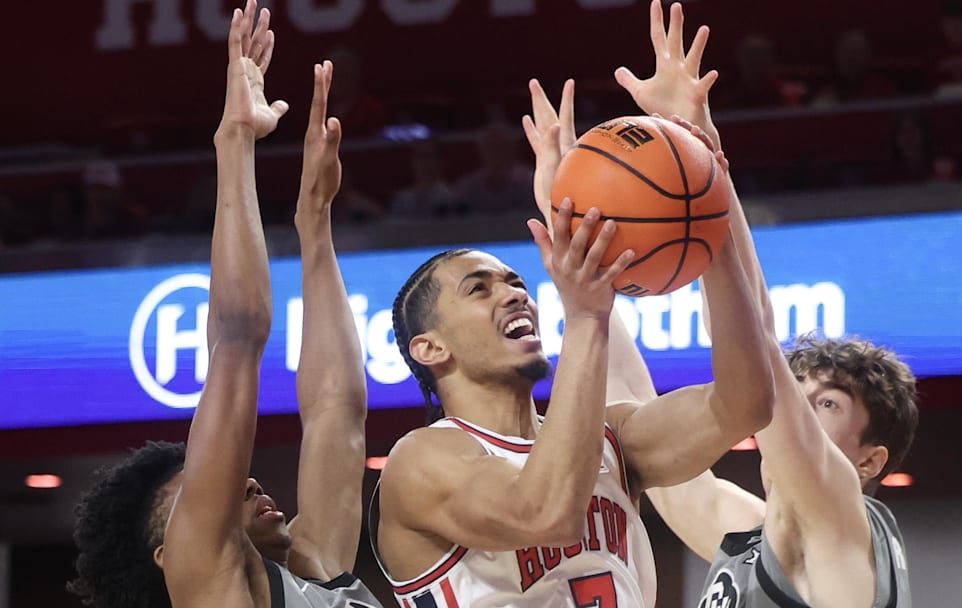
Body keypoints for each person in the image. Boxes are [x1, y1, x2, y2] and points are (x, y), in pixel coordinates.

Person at [370, 79, 775, 606]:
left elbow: (745, 403)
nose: (514, 294)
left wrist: (706, 215)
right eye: (479, 288)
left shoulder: (612, 439)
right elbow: (544, 514)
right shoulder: (421, 460)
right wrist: (586, 316)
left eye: (516, 282)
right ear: (430, 348)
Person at [67, 3, 381, 607]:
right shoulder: (212, 584)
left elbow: (337, 411)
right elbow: (236, 341)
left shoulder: (316, 569)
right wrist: (234, 141)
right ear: (169, 550)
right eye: (203, 489)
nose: (243, 478)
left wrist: (313, 227)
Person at [616, 2, 919, 606]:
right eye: (802, 392)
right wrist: (586, 284)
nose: (797, 410)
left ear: (869, 461)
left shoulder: (842, 524)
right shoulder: (751, 538)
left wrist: (702, 159)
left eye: (826, 403)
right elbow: (633, 420)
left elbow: (755, 343)